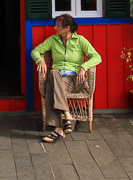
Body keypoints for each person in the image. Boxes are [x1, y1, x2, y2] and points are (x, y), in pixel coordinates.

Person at [30, 13, 101, 143]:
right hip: (58, 78)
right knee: (53, 75)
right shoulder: (53, 40)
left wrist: (83, 67)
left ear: (67, 28)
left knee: (50, 84)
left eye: (58, 26)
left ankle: (58, 128)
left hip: (73, 80)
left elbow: (97, 57)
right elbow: (35, 51)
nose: (55, 28)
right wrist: (40, 60)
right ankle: (65, 119)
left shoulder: (80, 41)